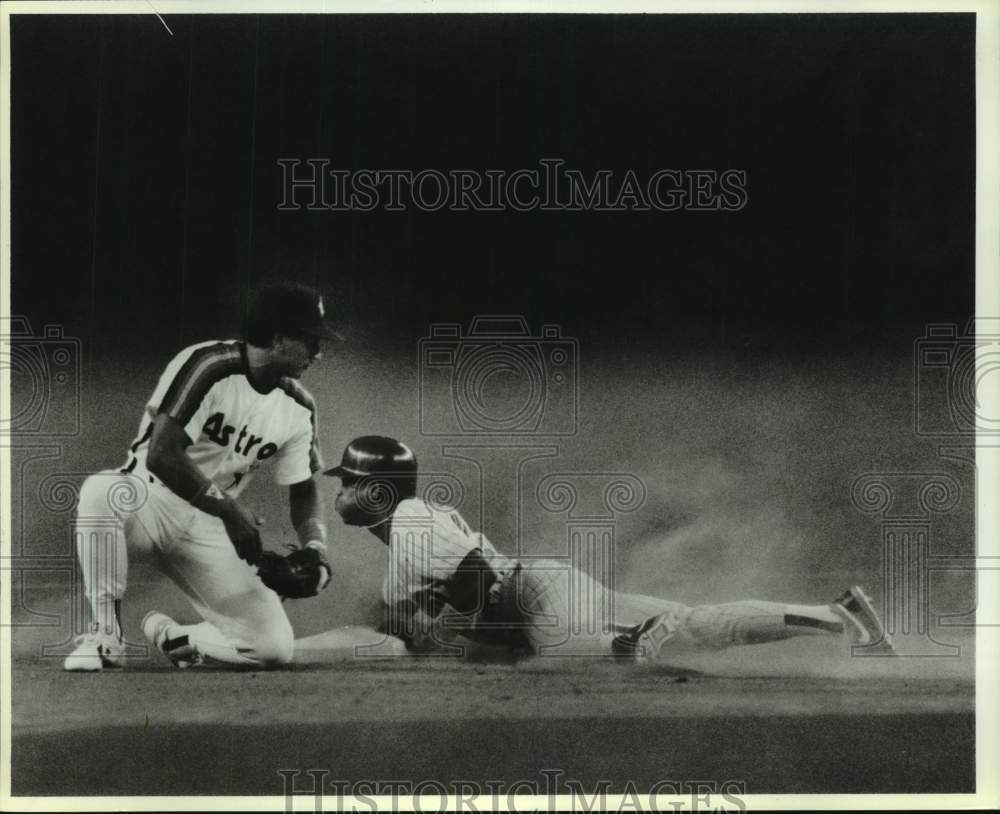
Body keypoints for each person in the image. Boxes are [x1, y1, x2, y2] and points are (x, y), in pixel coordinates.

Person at [325, 435, 894, 662]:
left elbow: (474, 578)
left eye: (347, 482)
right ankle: (838, 617)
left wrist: (447, 633)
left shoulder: (409, 520)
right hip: (549, 590)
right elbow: (411, 620)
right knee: (693, 626)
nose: (340, 493)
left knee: (618, 654)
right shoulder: (408, 531)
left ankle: (633, 642)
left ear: (376, 488)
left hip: (535, 600)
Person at [63, 283, 335, 671]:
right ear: (278, 339)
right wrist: (228, 510)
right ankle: (106, 637)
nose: (318, 352)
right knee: (101, 492)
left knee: (272, 648)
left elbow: (305, 489)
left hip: (210, 525)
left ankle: (177, 637)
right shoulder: (208, 364)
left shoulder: (299, 406)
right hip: (148, 499)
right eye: (310, 340)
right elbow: (161, 455)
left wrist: (316, 548)